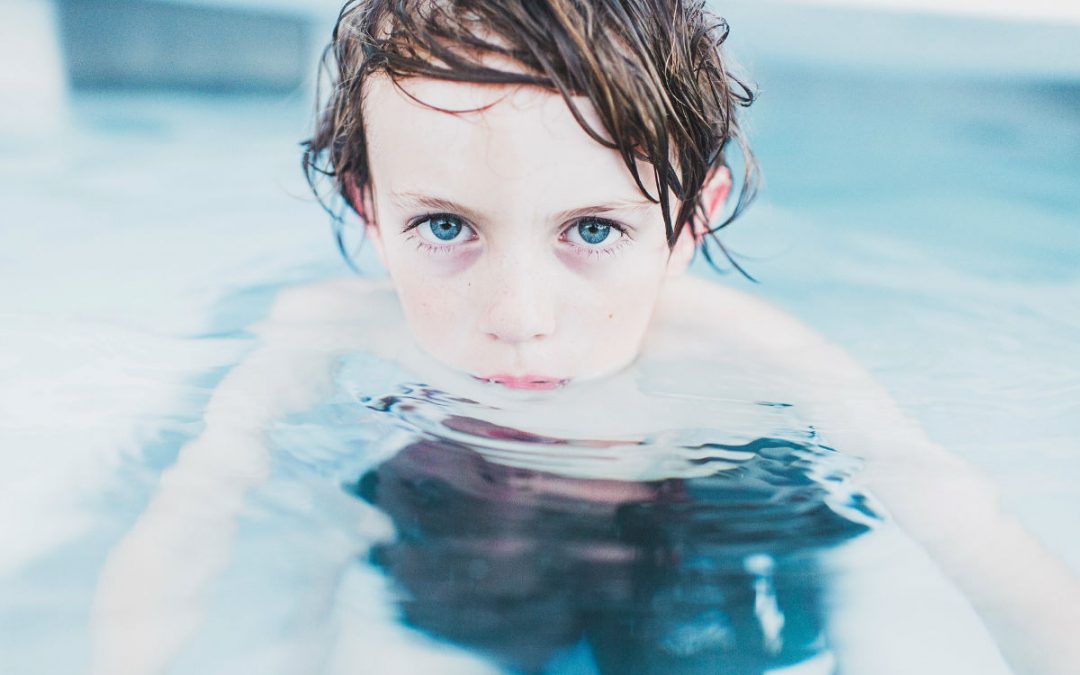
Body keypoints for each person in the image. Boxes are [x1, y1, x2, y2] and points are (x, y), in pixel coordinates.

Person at [92, 1, 1080, 674]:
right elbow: (203, 508)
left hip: (706, 526)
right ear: (366, 204)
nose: (519, 316)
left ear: (694, 219)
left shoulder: (752, 354)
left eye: (593, 231)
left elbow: (958, 516)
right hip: (471, 538)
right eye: (445, 226)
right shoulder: (320, 328)